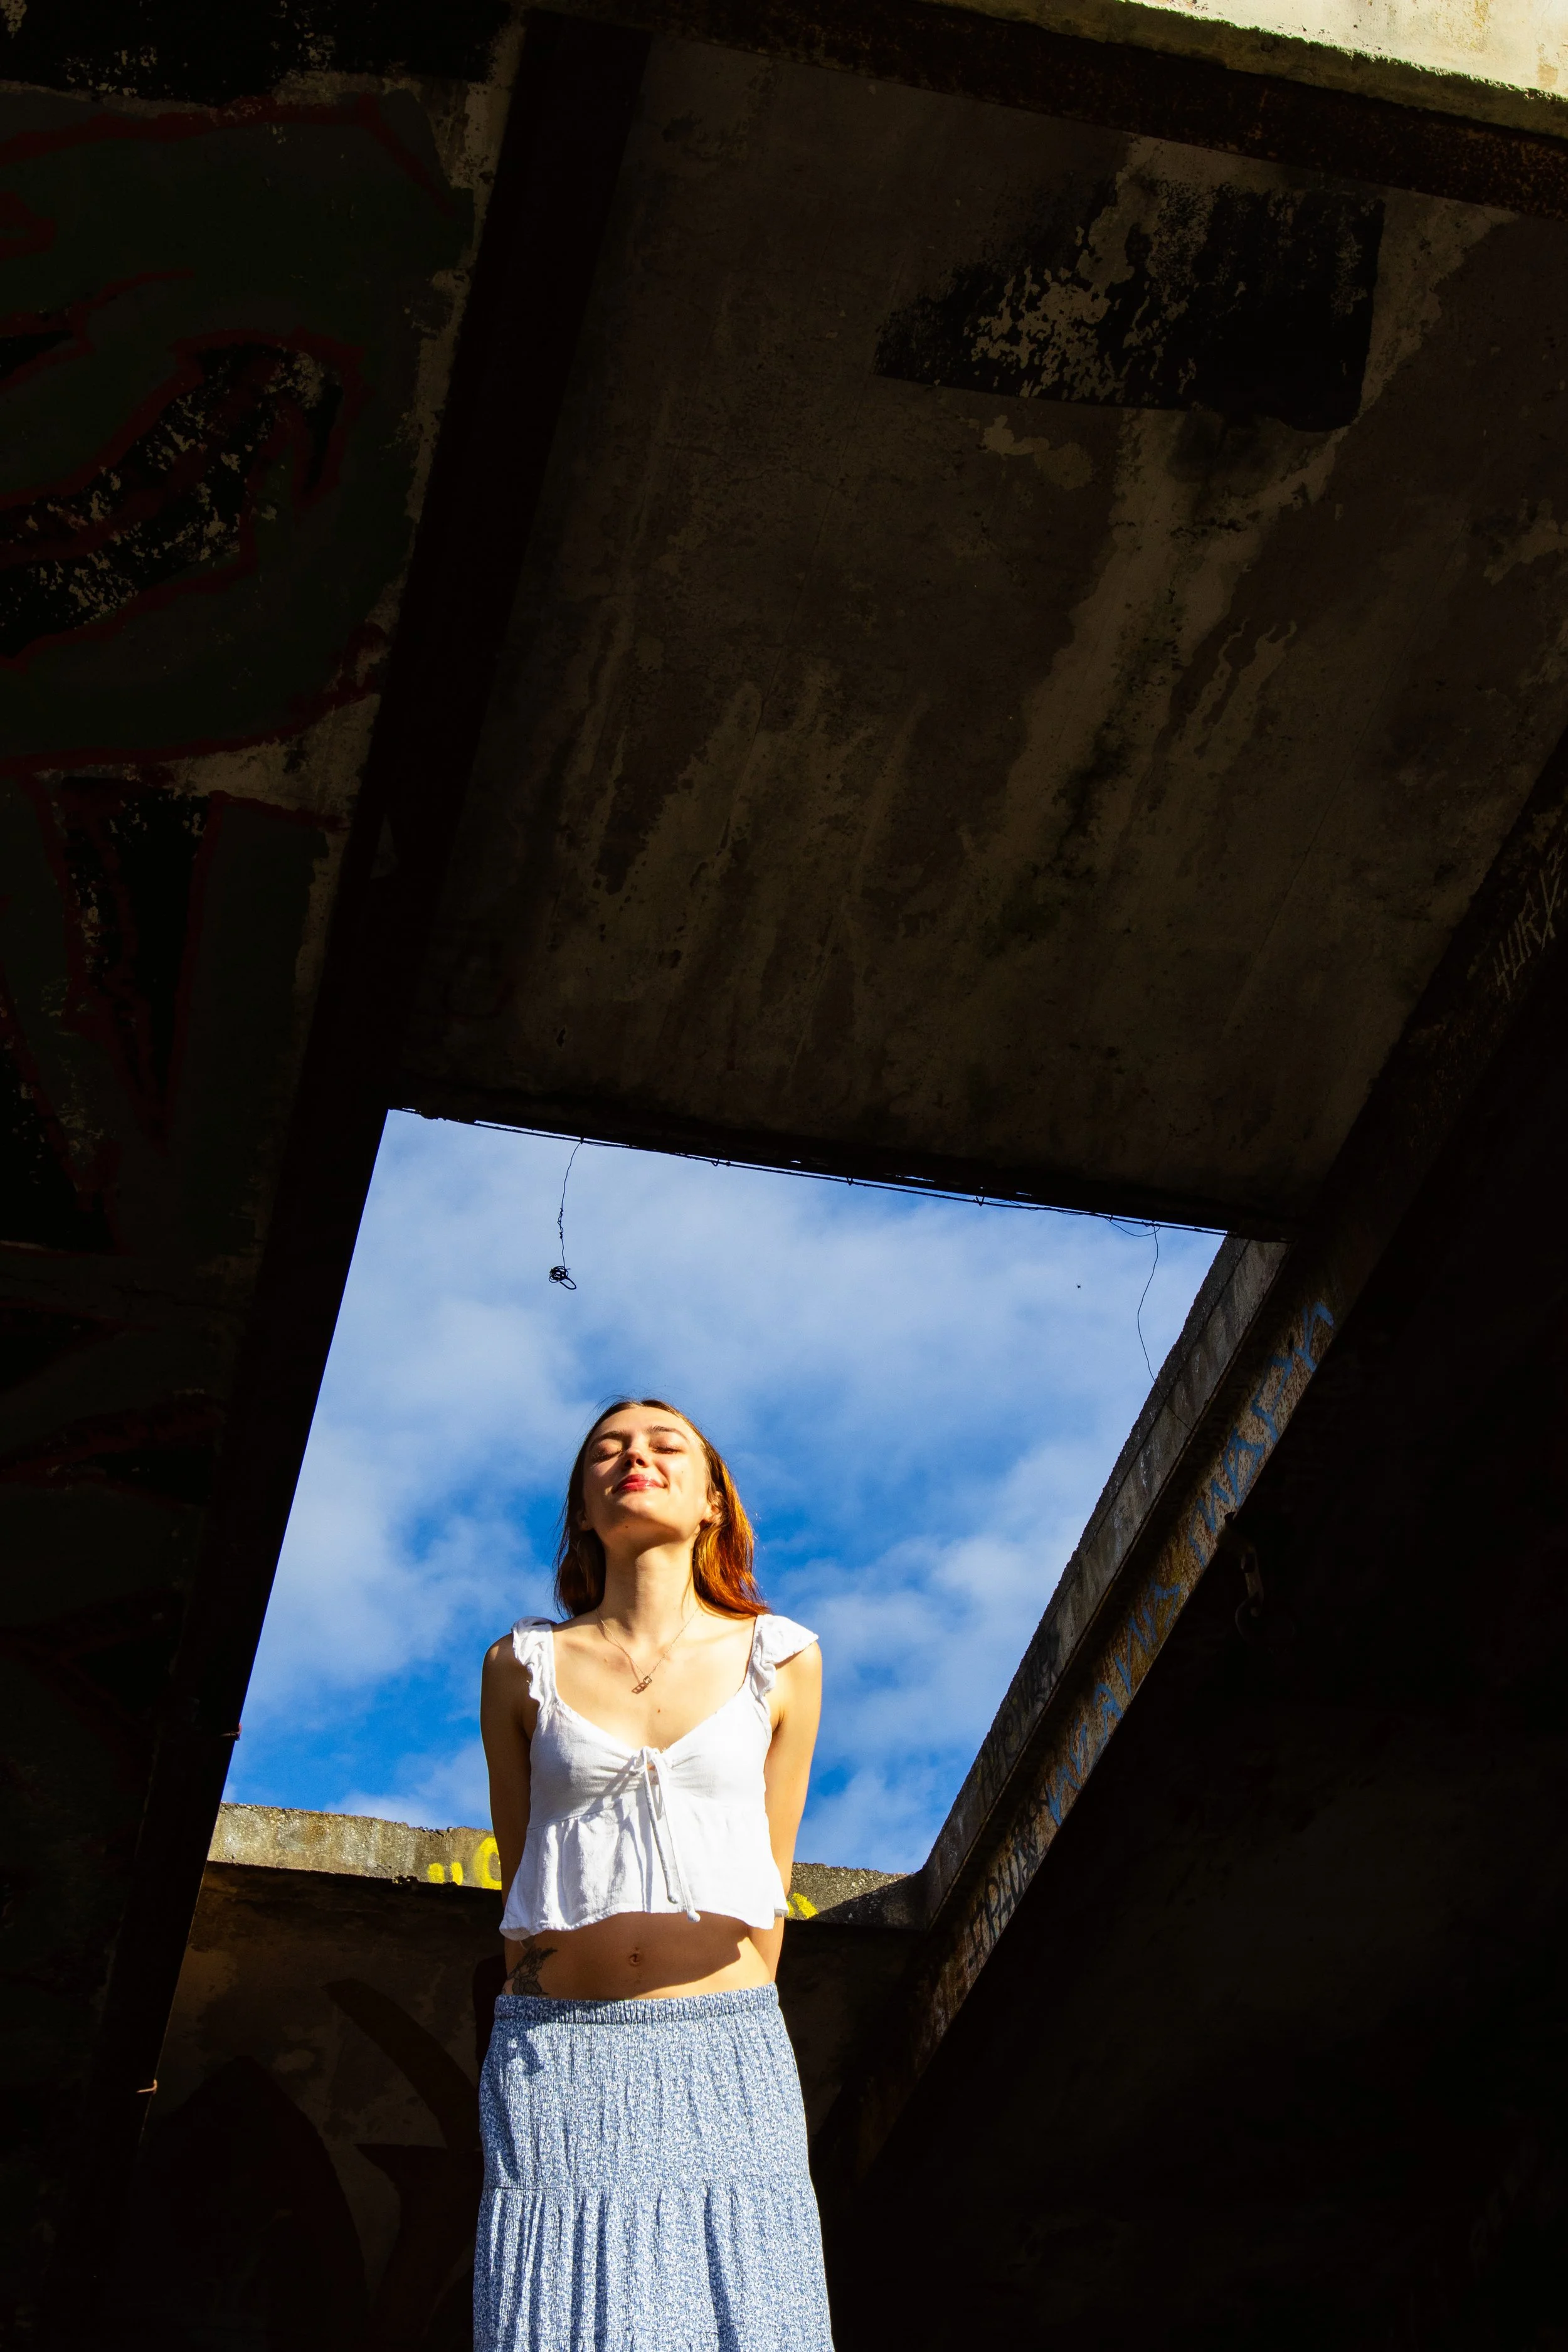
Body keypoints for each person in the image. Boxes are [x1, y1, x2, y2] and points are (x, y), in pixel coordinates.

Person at [475, 1396, 835, 2351]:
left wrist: (734, 2010)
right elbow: (522, 1878)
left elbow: (769, 1877)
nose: (636, 1457)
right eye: (609, 1450)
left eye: (666, 1444)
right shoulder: (520, 1665)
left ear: (714, 1498)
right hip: (557, 2051)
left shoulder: (783, 1658)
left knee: (747, 2310)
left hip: (727, 2046)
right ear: (583, 1509)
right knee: (554, 2316)